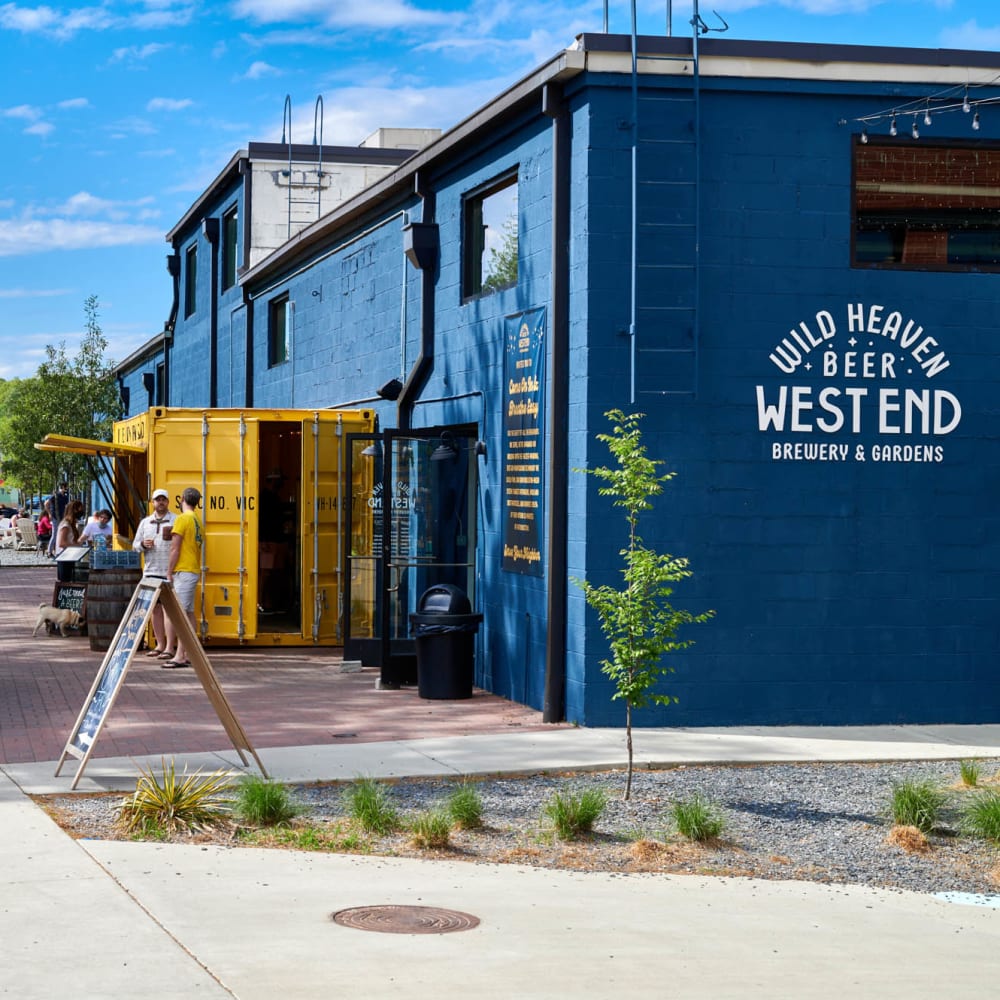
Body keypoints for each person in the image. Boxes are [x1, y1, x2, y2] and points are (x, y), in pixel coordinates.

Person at [133, 489, 178, 660]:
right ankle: (159, 644)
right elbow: (135, 546)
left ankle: (169, 647)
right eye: (157, 500)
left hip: (169, 572)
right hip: (151, 571)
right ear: (152, 502)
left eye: (163, 500)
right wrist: (143, 545)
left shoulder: (175, 520)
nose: (160, 502)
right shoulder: (145, 522)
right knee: (155, 609)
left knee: (169, 610)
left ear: (168, 502)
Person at [164, 487, 203, 669]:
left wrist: (169, 571)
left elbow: (175, 548)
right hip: (193, 569)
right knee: (188, 613)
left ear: (182, 500)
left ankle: (180, 655)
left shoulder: (182, 519)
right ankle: (187, 652)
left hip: (184, 571)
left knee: (180, 615)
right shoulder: (197, 520)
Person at [54, 499, 85, 583]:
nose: (82, 511)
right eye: (80, 509)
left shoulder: (72, 524)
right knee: (65, 581)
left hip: (69, 556)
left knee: (69, 580)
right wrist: (77, 544)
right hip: (64, 556)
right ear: (74, 510)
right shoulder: (66, 525)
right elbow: (62, 543)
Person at [47, 485, 69, 556]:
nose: (66, 489)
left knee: (62, 534)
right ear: (61, 488)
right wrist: (49, 514)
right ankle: (49, 551)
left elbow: (66, 507)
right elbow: (46, 503)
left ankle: (59, 551)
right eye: (65, 488)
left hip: (62, 517)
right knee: (55, 534)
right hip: (55, 517)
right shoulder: (56, 496)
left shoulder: (65, 497)